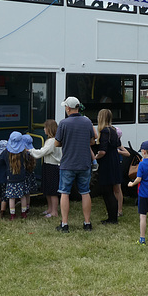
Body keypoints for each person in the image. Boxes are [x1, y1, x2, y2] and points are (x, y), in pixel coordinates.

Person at [55, 97, 96, 233]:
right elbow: (92, 141)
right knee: (85, 192)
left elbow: (57, 143)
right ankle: (87, 223)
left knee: (65, 193)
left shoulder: (63, 123)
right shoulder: (87, 121)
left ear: (68, 108)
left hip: (68, 163)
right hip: (84, 163)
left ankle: (65, 224)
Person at [95, 109, 129, 225]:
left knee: (107, 191)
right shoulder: (114, 130)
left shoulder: (104, 131)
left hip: (107, 162)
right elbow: (118, 146)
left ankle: (112, 218)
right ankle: (114, 215)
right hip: (114, 161)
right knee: (113, 190)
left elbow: (103, 151)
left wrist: (95, 157)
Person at [29, 120, 62, 218]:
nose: (44, 129)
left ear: (50, 129)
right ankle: (50, 209)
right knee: (47, 189)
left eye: (45, 127)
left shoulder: (52, 141)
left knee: (52, 190)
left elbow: (41, 152)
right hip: (48, 165)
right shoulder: (52, 140)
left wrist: (30, 151)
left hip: (53, 167)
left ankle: (54, 211)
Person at [0, 131, 29, 220]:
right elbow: (27, 159)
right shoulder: (23, 152)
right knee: (22, 196)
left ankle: (12, 215)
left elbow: (0, 161)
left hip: (10, 178)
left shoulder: (6, 152)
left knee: (11, 198)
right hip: (21, 177)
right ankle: (23, 213)